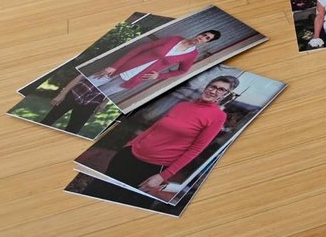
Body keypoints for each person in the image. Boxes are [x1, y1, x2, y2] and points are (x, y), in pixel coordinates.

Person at [87, 76, 238, 197]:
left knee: (120, 200)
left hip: (152, 168)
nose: (214, 91)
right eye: (212, 86)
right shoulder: (183, 105)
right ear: (206, 87)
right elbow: (153, 128)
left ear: (225, 95)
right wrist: (129, 146)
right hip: (128, 156)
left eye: (221, 90)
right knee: (95, 190)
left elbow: (196, 149)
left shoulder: (218, 116)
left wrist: (163, 176)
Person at [89, 30, 221, 99]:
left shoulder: (192, 54)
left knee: (94, 98)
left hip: (133, 79)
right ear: (199, 33)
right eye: (203, 34)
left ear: (207, 43)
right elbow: (139, 49)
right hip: (120, 68)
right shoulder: (175, 38)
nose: (202, 38)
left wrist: (159, 76)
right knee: (86, 85)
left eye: (207, 38)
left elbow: (182, 71)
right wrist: (114, 66)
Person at [40, 74, 109, 135]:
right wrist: (61, 94)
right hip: (74, 93)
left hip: (92, 102)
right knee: (47, 121)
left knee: (72, 131)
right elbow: (79, 77)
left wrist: (105, 102)